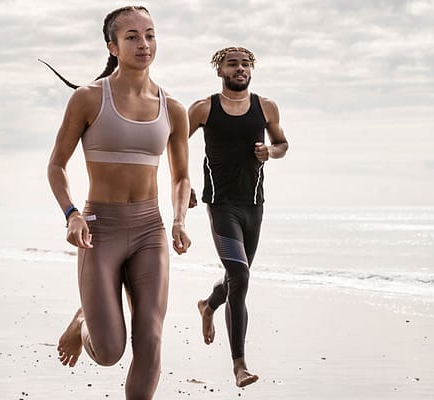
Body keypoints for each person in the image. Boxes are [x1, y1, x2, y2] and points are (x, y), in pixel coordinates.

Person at [46, 6, 191, 400]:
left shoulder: (173, 108)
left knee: (151, 338)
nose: (144, 44)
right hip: (99, 229)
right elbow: (56, 166)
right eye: (132, 37)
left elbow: (180, 176)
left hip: (150, 231)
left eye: (150, 34)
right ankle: (83, 322)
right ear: (113, 45)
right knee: (110, 351)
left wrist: (179, 220)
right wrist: (71, 214)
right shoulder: (88, 99)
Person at [188, 46, 288, 388]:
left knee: (236, 278)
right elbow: (175, 143)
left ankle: (207, 305)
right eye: (233, 64)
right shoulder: (204, 108)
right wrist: (182, 183)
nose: (240, 68)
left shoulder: (266, 107)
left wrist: (269, 152)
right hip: (220, 204)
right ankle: (239, 365)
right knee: (240, 275)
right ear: (221, 71)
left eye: (246, 64)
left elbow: (282, 144)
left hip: (254, 204)